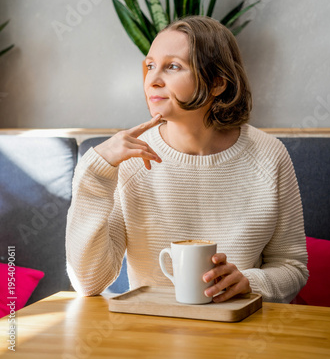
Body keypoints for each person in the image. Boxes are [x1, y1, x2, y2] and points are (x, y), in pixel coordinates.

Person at [66, 16, 308, 303]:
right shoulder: (131, 160)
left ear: (217, 82)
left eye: (172, 66)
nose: (152, 80)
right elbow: (89, 282)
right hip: (150, 334)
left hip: (240, 332)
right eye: (150, 66)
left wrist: (249, 282)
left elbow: (292, 267)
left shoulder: (269, 155)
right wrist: (94, 172)